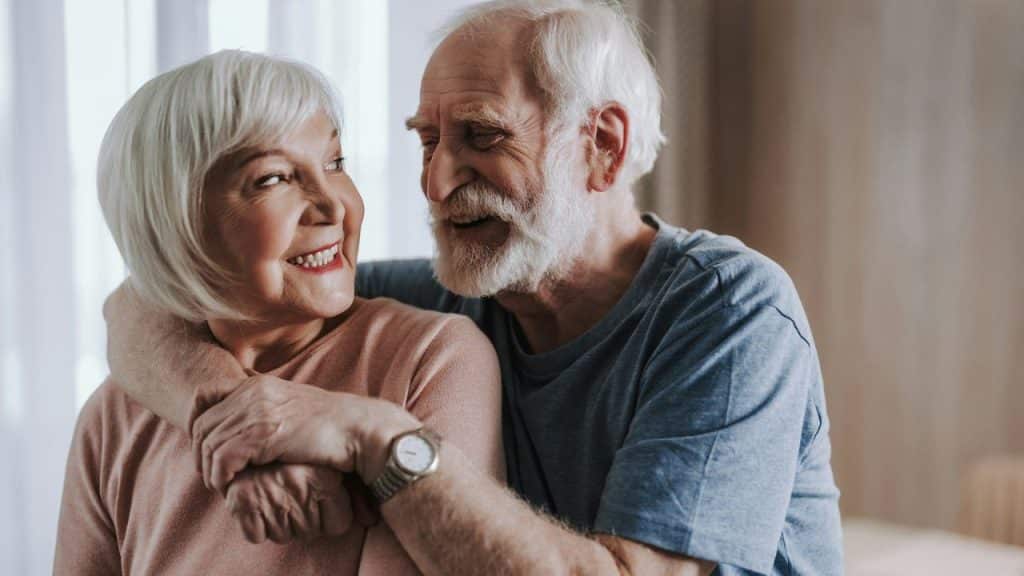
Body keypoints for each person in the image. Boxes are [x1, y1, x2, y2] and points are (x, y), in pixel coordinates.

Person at [101, 1, 843, 574]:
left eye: (481, 137)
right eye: (427, 141)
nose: (436, 181)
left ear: (603, 146)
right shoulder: (452, 296)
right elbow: (144, 303)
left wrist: (379, 438)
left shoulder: (730, 310)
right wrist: (235, 419)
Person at [54, 51, 503, 575]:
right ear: (174, 223)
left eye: (335, 163)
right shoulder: (113, 415)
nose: (333, 205)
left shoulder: (433, 356)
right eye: (273, 179)